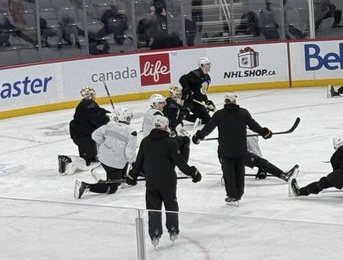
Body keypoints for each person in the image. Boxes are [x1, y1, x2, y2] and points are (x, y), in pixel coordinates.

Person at [128, 114, 201, 246]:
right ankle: (173, 229)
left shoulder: (145, 141)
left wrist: (132, 176)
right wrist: (193, 173)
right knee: (171, 206)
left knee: (153, 208)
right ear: (166, 127)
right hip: (168, 182)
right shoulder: (170, 142)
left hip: (152, 182)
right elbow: (180, 162)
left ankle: (155, 233)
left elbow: (138, 163)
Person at [191, 92, 271, 205]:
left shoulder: (219, 114)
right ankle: (239, 194)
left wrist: (198, 136)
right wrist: (265, 132)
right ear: (234, 101)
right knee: (239, 172)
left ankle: (232, 196)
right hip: (240, 149)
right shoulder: (243, 112)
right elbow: (254, 125)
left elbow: (208, 128)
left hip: (226, 149)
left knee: (229, 173)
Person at [77, 110, 137, 199]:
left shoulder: (109, 126)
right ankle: (86, 186)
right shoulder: (131, 132)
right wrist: (135, 164)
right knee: (112, 188)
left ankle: (121, 178)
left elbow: (95, 135)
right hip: (114, 163)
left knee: (117, 174)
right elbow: (129, 153)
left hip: (103, 157)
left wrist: (104, 143)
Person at [63, 86, 110, 174]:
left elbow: (95, 112)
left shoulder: (84, 104)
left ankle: (75, 160)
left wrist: (104, 112)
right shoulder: (89, 104)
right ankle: (70, 161)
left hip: (81, 135)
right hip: (84, 137)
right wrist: (107, 118)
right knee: (88, 161)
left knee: (88, 157)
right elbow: (97, 119)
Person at [179, 57, 215, 126]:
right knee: (185, 112)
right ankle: (182, 116)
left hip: (197, 101)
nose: (209, 66)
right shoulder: (195, 74)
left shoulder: (207, 78)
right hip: (190, 100)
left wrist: (206, 101)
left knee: (206, 120)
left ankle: (191, 117)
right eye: (207, 64)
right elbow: (182, 79)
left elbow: (202, 92)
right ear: (202, 65)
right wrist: (187, 90)